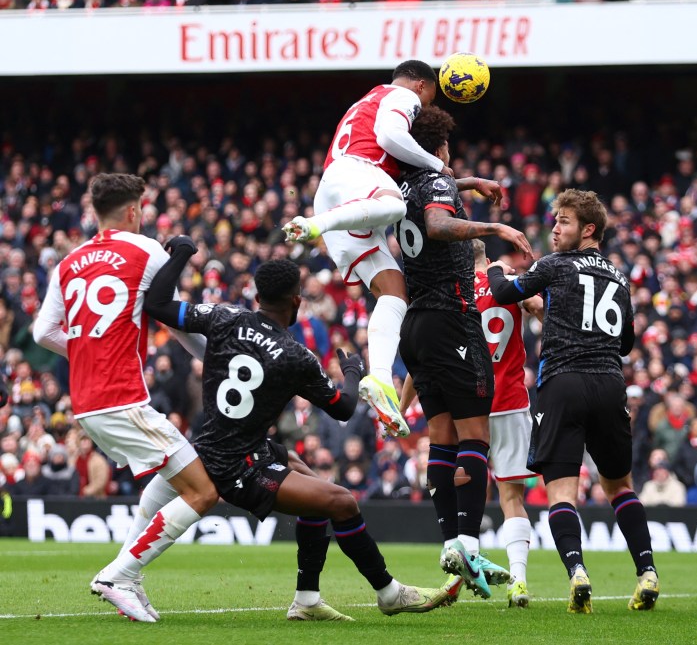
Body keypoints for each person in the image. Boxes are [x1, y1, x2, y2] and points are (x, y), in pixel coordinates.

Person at [145, 250, 450, 620]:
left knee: (306, 477)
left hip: (218, 446)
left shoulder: (224, 316)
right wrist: (352, 370)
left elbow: (158, 304)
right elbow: (343, 406)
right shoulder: (295, 356)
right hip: (236, 466)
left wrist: (178, 254)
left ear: (257, 297)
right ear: (296, 301)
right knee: (342, 501)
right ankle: (389, 593)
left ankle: (306, 599)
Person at [32, 173, 219, 623]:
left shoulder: (68, 262)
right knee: (203, 491)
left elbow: (43, 333)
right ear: (134, 210)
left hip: (88, 401)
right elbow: (175, 319)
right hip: (121, 398)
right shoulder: (147, 250)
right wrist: (218, 359)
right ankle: (119, 574)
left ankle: (128, 578)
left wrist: (87, 350)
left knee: (172, 474)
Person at [282, 60, 502, 439]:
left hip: (345, 195)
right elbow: (388, 136)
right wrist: (438, 163)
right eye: (429, 97)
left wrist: (464, 181)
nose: (426, 107)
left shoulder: (367, 103)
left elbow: (416, 179)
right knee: (395, 207)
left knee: (394, 293)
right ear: (420, 85)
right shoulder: (400, 95)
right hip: (354, 179)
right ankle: (315, 226)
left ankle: (379, 380)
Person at [485, 189, 660, 614]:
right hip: (609, 385)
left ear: (588, 229)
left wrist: (493, 268)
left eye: (563, 221)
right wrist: (555, 314)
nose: (554, 227)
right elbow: (626, 343)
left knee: (562, 491)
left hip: (563, 383)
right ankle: (648, 572)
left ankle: (578, 572)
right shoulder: (618, 276)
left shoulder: (555, 265)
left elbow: (506, 292)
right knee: (620, 486)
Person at [392, 105, 531, 600]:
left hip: (417, 324)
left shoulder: (400, 182)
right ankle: (468, 545)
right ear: (441, 149)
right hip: (452, 316)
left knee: (441, 436)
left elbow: (432, 195)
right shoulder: (435, 186)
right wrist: (495, 229)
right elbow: (436, 224)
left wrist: (468, 182)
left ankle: (452, 540)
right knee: (476, 436)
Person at [473, 238, 543, 608]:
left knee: (461, 489)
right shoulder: (509, 284)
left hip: (469, 402)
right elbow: (541, 311)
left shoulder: (454, 290)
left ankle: (461, 571)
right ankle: (518, 580)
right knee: (511, 496)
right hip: (511, 401)